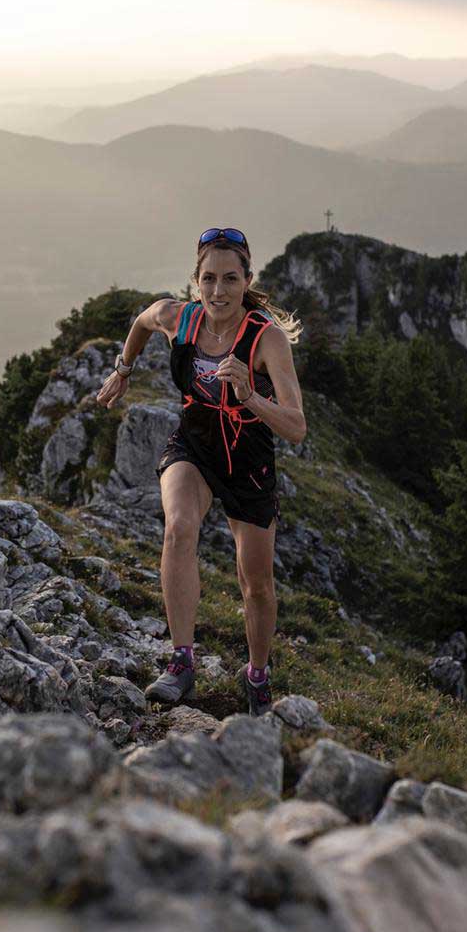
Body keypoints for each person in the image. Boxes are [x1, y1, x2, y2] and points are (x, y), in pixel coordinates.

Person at [95, 228, 306, 716]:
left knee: (256, 584)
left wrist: (251, 395)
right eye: (208, 279)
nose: (219, 291)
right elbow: (141, 321)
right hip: (194, 443)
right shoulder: (179, 317)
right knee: (179, 528)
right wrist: (123, 371)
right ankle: (181, 663)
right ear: (195, 282)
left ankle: (256, 676)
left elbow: (296, 427)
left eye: (230, 279)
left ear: (247, 280)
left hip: (248, 460)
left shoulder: (265, 338)